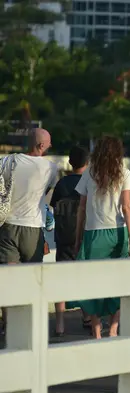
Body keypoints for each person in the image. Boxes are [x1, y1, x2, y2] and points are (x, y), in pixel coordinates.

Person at [74, 136, 130, 339]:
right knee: (119, 282)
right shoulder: (124, 173)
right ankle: (114, 329)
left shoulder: (89, 173)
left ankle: (97, 330)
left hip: (93, 233)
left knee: (93, 282)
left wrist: (78, 240)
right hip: (118, 231)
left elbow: (81, 208)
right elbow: (127, 207)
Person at [0, 128, 57, 335]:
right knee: (32, 279)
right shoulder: (51, 168)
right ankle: (30, 325)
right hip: (33, 228)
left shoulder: (8, 162)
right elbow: (44, 193)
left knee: (9, 279)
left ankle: (9, 325)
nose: (50, 146)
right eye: (49, 143)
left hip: (8, 225)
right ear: (41, 145)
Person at [49, 145, 90, 336]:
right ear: (87, 162)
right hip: (83, 236)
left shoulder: (62, 184)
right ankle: (88, 317)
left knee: (61, 280)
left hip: (64, 237)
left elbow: (54, 207)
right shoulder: (89, 182)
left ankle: (60, 324)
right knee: (85, 278)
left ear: (70, 163)